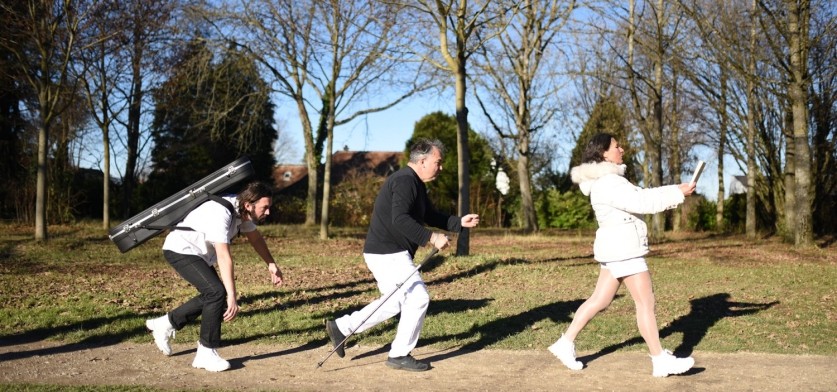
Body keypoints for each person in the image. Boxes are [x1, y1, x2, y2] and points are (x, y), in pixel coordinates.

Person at [324, 139, 480, 372]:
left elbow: (430, 215)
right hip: (388, 253)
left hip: (386, 252)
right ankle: (399, 354)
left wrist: (458, 222)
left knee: (395, 301)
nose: (441, 167)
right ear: (423, 160)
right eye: (438, 162)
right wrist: (431, 238)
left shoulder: (414, 183)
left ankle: (341, 328)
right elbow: (400, 219)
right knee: (418, 298)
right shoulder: (405, 181)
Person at [548, 133, 696, 377]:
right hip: (624, 249)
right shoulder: (609, 182)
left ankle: (565, 344)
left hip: (616, 247)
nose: (622, 149)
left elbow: (641, 196)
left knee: (600, 300)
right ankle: (659, 360)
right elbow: (642, 201)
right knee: (645, 302)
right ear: (604, 153)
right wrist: (677, 192)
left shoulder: (608, 180)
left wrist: (675, 190)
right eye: (617, 146)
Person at [145, 181, 284, 372]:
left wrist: (271, 263)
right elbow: (224, 257)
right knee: (217, 293)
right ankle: (205, 353)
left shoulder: (241, 212)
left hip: (198, 254)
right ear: (249, 205)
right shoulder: (222, 213)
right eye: (265, 207)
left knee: (213, 294)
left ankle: (165, 324)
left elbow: (255, 238)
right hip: (180, 250)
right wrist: (232, 296)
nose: (268, 212)